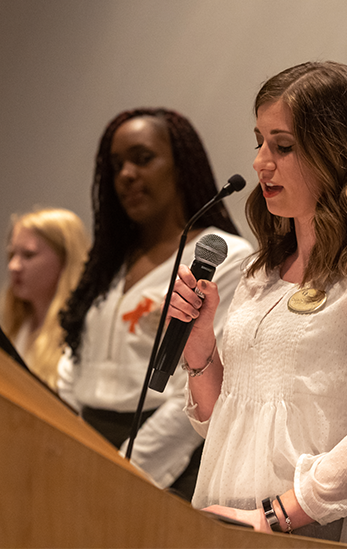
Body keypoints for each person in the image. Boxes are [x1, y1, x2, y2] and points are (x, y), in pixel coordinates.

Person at [167, 61, 347, 548]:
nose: (259, 162)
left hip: (315, 535)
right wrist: (200, 349)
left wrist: (273, 517)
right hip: (223, 528)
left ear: (338, 153)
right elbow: (224, 421)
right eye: (259, 142)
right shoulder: (260, 270)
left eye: (283, 146)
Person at [59, 107, 254, 501]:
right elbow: (74, 359)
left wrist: (127, 469)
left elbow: (203, 381)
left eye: (143, 159)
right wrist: (68, 441)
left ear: (181, 166)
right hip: (86, 440)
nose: (126, 174)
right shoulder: (109, 261)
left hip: (165, 456)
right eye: (116, 166)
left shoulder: (224, 256)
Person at [0, 207, 90, 402]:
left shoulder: (84, 331)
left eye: (28, 255)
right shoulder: (14, 328)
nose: (13, 266)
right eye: (12, 254)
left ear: (66, 261)